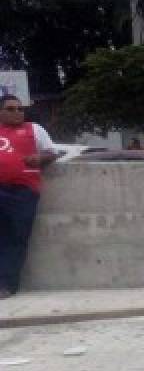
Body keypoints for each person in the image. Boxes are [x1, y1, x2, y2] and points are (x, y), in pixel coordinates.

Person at [0, 95, 61, 299]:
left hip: (23, 192)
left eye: (20, 109)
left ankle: (7, 285)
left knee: (16, 238)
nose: (17, 112)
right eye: (11, 109)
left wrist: (40, 158)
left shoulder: (34, 129)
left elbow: (52, 153)